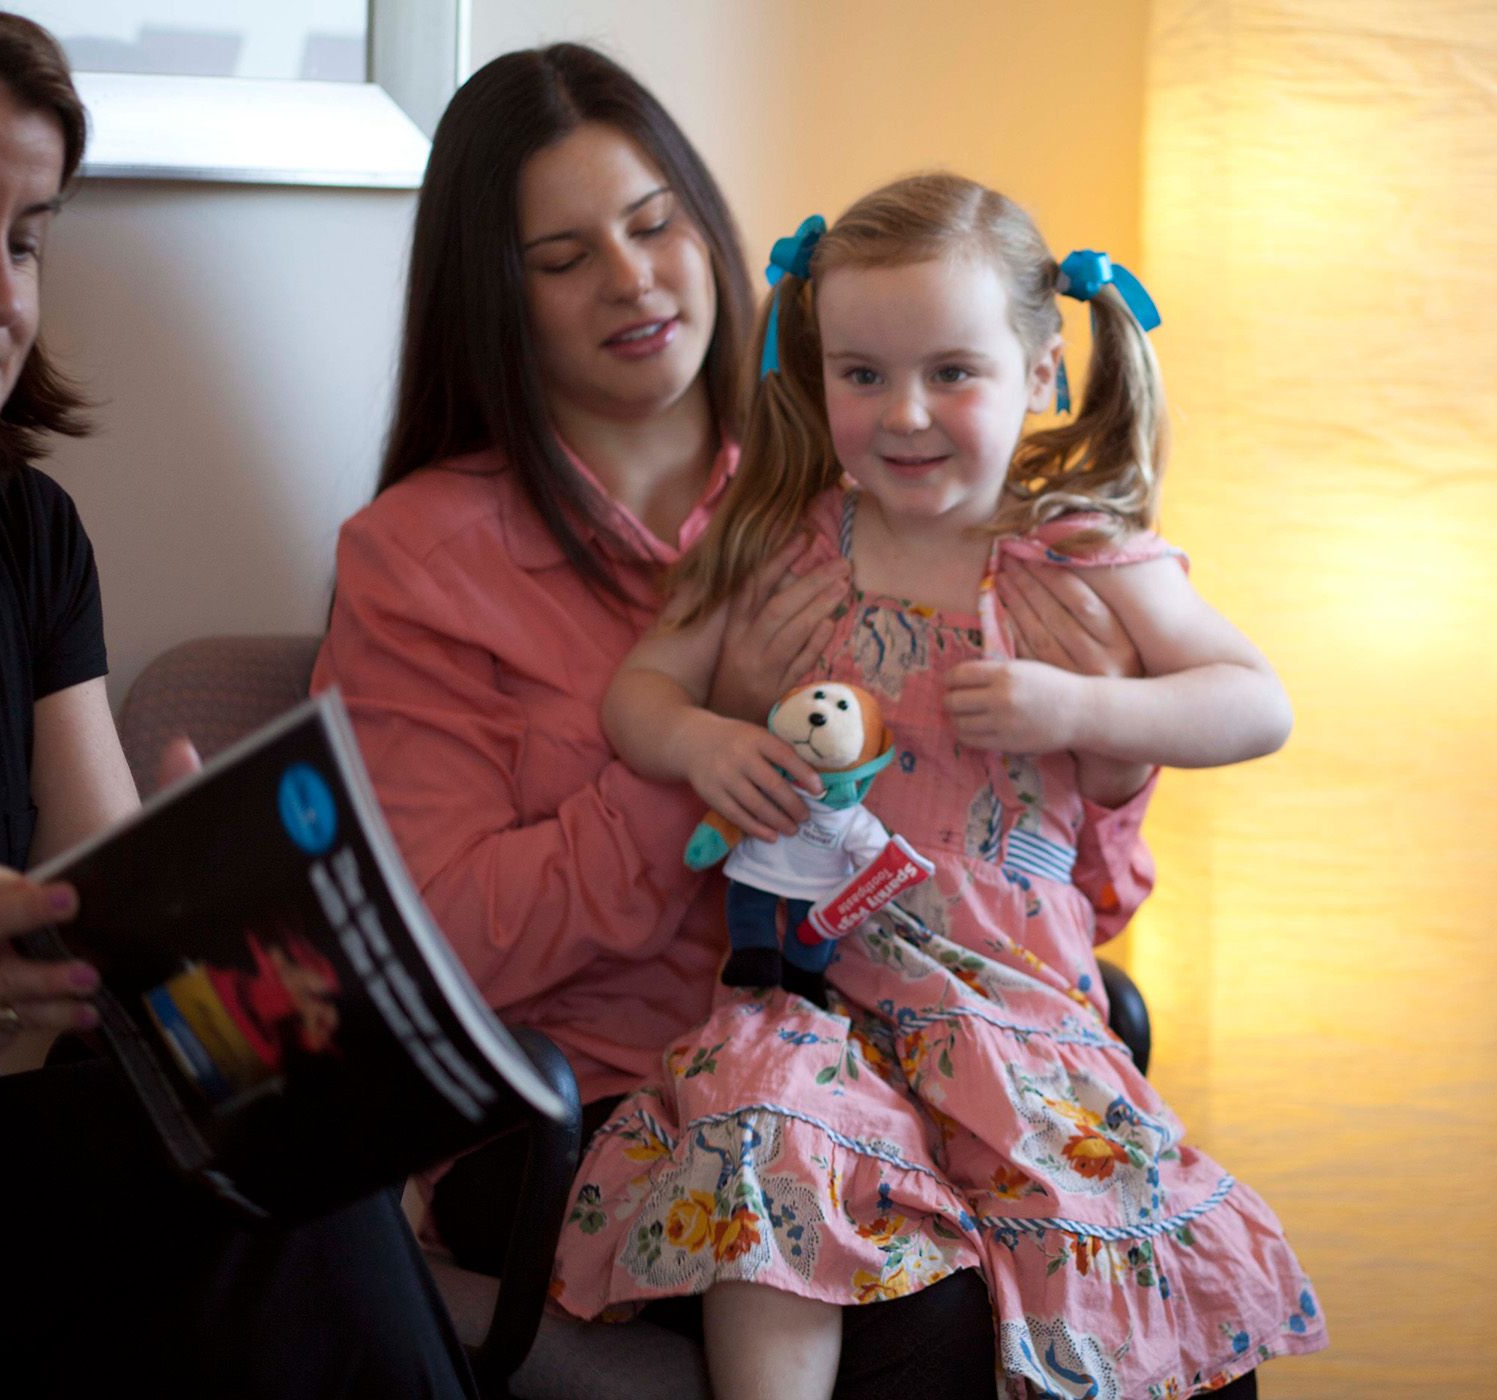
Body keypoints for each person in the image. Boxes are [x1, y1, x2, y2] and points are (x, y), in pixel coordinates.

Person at [314, 44, 1152, 1395]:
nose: (635, 279)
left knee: (1162, 1309)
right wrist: (703, 743)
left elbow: (1080, 913)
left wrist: (1103, 748)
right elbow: (446, 943)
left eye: (655, 226)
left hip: (904, 1066)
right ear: (496, 298)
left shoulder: (873, 484)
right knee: (928, 1322)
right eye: (564, 255)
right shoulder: (418, 560)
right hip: (579, 1106)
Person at [562, 171, 1326, 1399]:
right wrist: (705, 741)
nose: (903, 413)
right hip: (816, 991)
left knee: (1100, 1241)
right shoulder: (780, 540)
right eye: (861, 374)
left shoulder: (1076, 551)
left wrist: (1082, 706)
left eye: (951, 373)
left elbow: (1255, 700)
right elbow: (639, 691)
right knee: (774, 1150)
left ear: (1039, 373)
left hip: (1014, 1008)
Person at [0, 9, 471, 1396]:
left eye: (26, 238)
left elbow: (100, 930)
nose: (1, 297)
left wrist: (205, 894)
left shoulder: (27, 535)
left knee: (295, 1153)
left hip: (14, 1146)